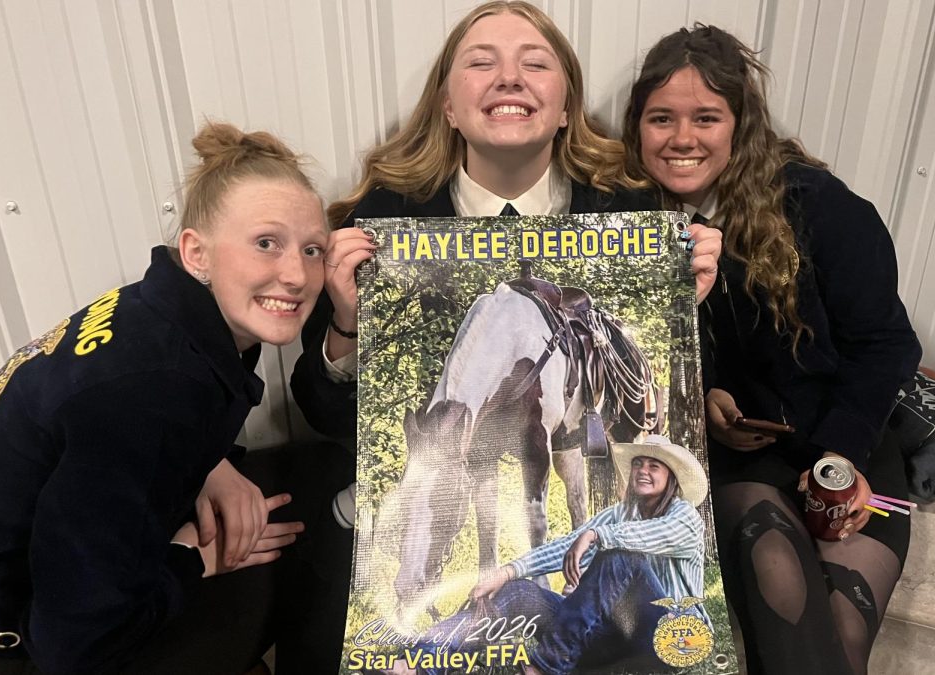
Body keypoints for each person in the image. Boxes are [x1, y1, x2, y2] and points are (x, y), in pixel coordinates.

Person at [281, 3, 721, 670]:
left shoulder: (630, 215)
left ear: (567, 104)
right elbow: (324, 412)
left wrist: (683, 306)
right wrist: (346, 321)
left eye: (535, 63)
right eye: (482, 62)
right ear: (449, 107)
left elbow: (672, 402)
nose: (509, 77)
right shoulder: (384, 220)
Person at [622, 25, 922, 675]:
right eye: (661, 118)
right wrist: (707, 399)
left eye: (706, 117)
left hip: (849, 447)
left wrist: (839, 456)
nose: (682, 138)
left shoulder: (822, 208)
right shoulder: (620, 223)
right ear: (636, 126)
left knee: (839, 634)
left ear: (741, 123)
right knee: (778, 580)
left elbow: (886, 346)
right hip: (736, 462)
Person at [0, 122, 325, 674]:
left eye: (313, 250)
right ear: (197, 253)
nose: (297, 274)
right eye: (267, 243)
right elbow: (73, 642)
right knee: (301, 571)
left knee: (289, 506)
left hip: (54, 553)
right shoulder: (148, 391)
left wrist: (211, 466)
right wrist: (193, 560)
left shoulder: (166, 313)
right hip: (9, 630)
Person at [389, 435, 708, 675]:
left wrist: (596, 535)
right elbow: (568, 545)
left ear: (672, 479)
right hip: (612, 640)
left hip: (673, 639)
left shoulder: (685, 518)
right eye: (638, 463)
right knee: (520, 593)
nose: (642, 470)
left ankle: (546, 667)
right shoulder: (619, 514)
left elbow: (642, 539)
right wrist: (510, 570)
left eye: (654, 466)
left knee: (620, 557)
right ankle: (419, 662)